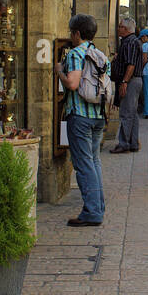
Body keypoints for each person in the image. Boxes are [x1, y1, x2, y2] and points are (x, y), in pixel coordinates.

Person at [58, 13, 106, 227]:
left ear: (77, 33)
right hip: (98, 115)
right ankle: (98, 206)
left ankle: (92, 212)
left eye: (71, 32)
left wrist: (59, 71)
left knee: (84, 164)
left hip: (80, 115)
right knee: (94, 161)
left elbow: (72, 83)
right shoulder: (100, 53)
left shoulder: (76, 54)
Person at [109, 17, 142, 153]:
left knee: (126, 113)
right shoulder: (131, 42)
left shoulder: (130, 42)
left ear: (127, 29)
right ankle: (133, 142)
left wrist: (124, 82)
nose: (118, 28)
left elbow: (131, 65)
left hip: (130, 80)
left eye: (120, 26)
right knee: (132, 113)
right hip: (133, 80)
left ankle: (124, 144)